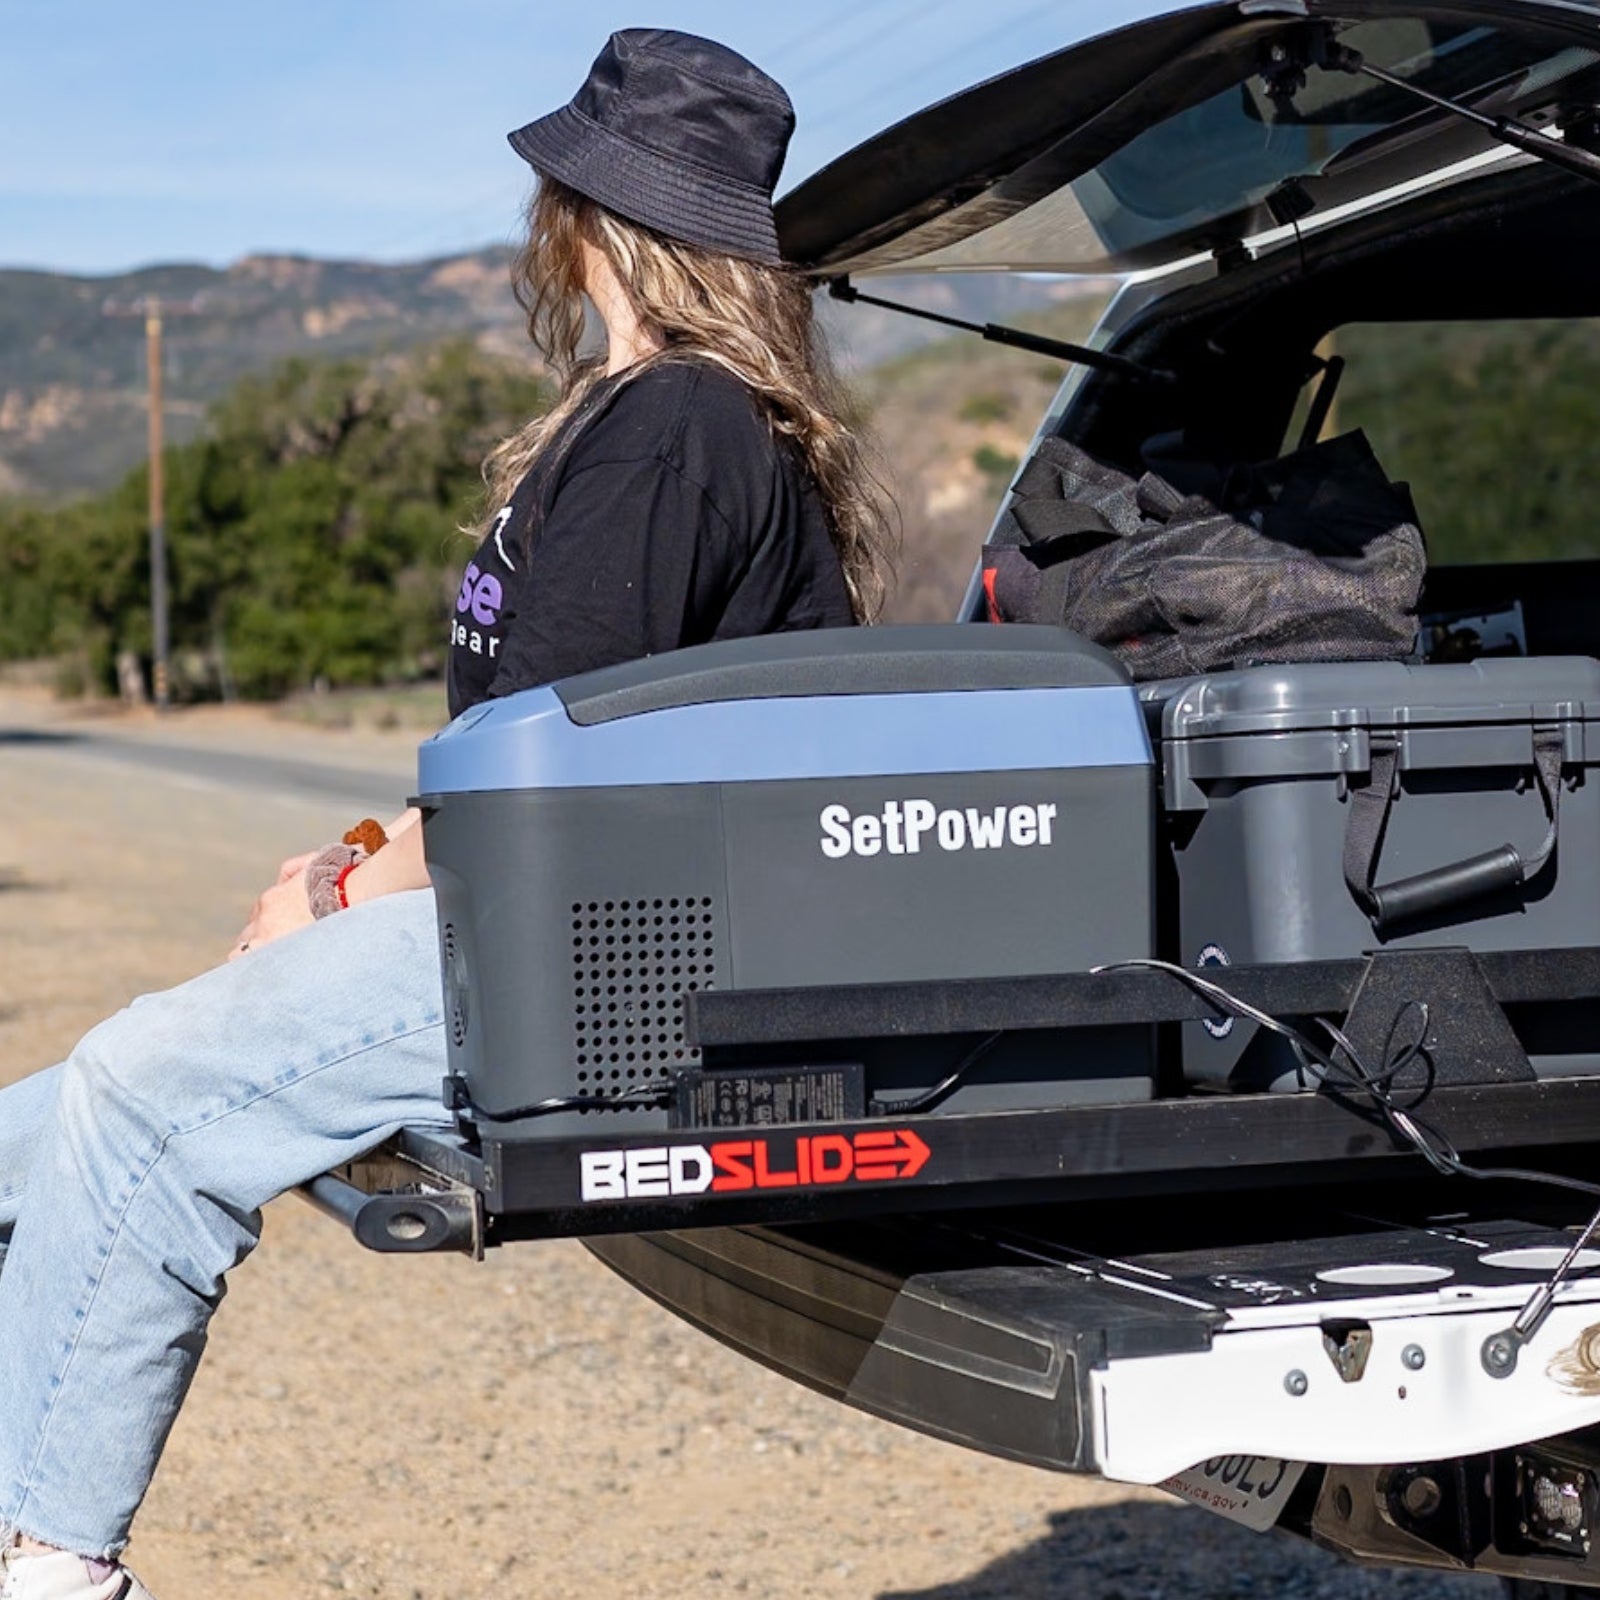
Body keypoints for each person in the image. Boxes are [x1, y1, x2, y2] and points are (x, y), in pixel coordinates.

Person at [0, 29, 891, 1599]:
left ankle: (52, 1564)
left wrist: (335, 909)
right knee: (34, 1135)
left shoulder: (676, 428)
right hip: (549, 920)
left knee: (140, 1093)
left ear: (586, 216)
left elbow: (539, 775)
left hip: (612, 967)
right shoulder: (651, 416)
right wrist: (354, 858)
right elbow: (506, 743)